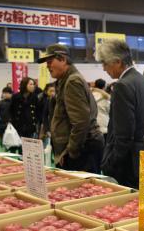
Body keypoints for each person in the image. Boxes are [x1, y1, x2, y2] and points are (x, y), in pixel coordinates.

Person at [98, 39, 144, 188]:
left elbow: (124, 133)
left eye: (105, 63)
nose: (104, 68)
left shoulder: (122, 86)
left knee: (128, 208)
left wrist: (112, 163)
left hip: (130, 163)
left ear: (117, 61)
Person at [38, 44, 103, 172]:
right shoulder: (65, 80)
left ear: (62, 59)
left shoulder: (72, 81)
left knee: (83, 191)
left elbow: (81, 122)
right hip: (81, 148)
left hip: (82, 151)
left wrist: (70, 151)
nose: (47, 66)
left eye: (50, 62)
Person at [9, 77, 41, 152]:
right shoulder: (15, 97)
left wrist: (36, 121)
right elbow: (11, 110)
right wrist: (10, 121)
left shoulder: (34, 97)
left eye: (33, 84)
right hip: (17, 125)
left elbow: (38, 111)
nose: (33, 86)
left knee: (27, 147)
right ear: (24, 85)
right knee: (16, 145)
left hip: (30, 125)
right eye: (31, 84)